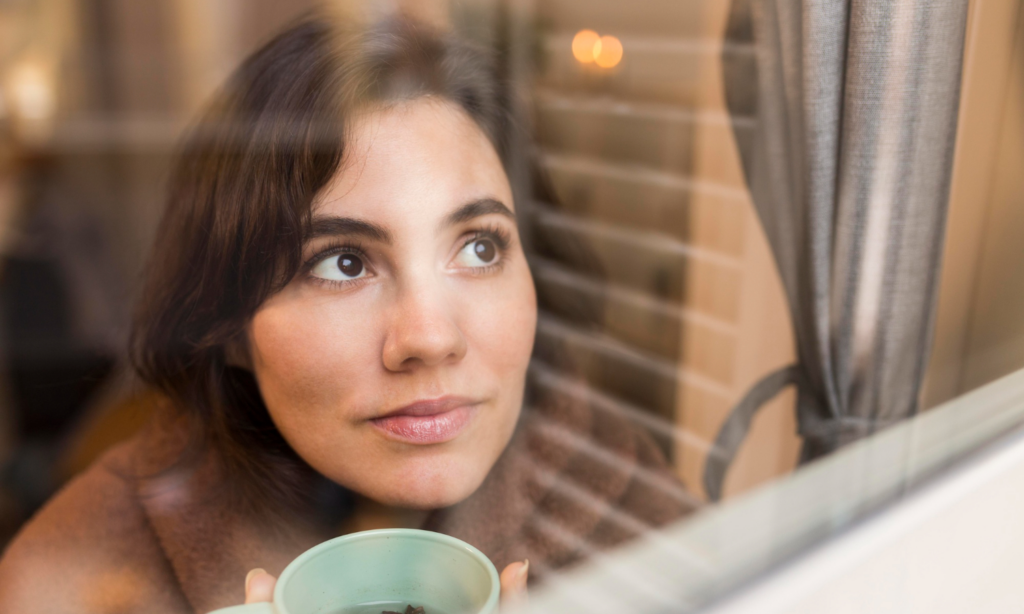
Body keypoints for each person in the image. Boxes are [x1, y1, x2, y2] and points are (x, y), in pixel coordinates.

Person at [0, 13, 696, 613]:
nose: (429, 336)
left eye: (480, 247)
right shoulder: (72, 581)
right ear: (230, 329)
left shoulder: (626, 500)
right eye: (343, 263)